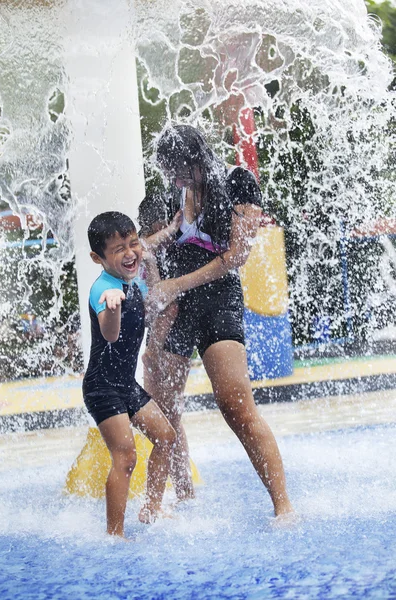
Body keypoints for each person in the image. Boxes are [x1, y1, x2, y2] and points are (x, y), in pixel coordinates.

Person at [145, 124, 294, 519]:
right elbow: (143, 252)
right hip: (173, 308)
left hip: (216, 300)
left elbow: (235, 257)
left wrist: (174, 285)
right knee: (165, 408)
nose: (173, 179)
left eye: (177, 169)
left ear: (195, 159)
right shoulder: (165, 195)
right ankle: (183, 495)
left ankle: (283, 507)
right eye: (167, 171)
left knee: (235, 405)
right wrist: (160, 293)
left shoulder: (238, 183)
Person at [82, 211, 177, 538]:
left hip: (125, 383)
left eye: (132, 243)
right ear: (98, 258)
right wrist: (111, 307)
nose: (130, 252)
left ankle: (151, 507)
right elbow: (109, 335)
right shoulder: (104, 290)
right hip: (101, 387)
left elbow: (145, 246)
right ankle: (114, 534)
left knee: (166, 438)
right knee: (125, 457)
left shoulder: (130, 272)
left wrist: (172, 229)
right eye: (118, 248)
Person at [138, 193, 195, 502]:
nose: (145, 239)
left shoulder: (167, 253)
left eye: (150, 230)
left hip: (169, 339)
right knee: (170, 417)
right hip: (164, 338)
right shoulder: (163, 248)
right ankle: (184, 489)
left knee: (167, 420)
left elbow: (168, 307)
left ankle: (176, 494)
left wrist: (152, 350)